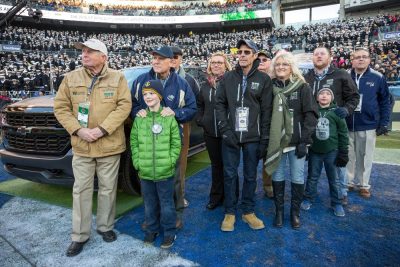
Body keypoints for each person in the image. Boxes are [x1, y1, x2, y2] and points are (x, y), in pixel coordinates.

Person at [54, 39, 132, 257]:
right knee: (81, 191)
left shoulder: (118, 77)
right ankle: (79, 235)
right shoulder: (71, 78)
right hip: (82, 145)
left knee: (108, 189)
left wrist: (102, 129)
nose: (84, 55)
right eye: (83, 51)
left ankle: (105, 227)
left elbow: (124, 105)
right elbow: (61, 108)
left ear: (103, 57)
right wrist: (79, 130)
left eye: (90, 51)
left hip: (109, 144)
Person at [131, 46, 197, 229]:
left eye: (161, 59)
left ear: (171, 61)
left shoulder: (181, 84)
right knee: (148, 183)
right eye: (154, 58)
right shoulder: (140, 81)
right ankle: (152, 217)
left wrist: (175, 113)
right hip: (147, 142)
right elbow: (131, 105)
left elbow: (192, 109)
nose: (156, 62)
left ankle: (174, 216)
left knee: (174, 179)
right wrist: (139, 111)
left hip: (170, 141)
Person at [216, 39, 273, 232]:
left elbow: (266, 111)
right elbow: (220, 104)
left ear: (255, 55)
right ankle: (230, 211)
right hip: (231, 135)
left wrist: (264, 139)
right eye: (239, 52)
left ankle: (248, 210)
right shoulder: (228, 78)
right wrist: (225, 130)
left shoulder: (264, 80)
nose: (241, 55)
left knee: (250, 175)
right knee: (230, 174)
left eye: (246, 52)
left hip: (253, 137)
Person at [265, 51, 318, 229]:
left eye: (285, 64)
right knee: (278, 177)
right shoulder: (269, 87)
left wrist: (305, 141)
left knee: (297, 177)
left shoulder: (302, 87)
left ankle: (295, 213)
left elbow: (311, 115)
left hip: (297, 143)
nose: (281, 67)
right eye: (278, 64)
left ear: (291, 68)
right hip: (276, 143)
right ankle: (279, 212)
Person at [304, 46, 359, 205]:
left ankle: (341, 194)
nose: (319, 56)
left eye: (322, 53)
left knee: (338, 165)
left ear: (330, 57)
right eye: (316, 54)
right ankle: (309, 195)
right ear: (312, 58)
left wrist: (346, 109)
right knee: (313, 169)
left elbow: (354, 97)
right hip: (312, 130)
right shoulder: (306, 78)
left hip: (334, 128)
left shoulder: (341, 74)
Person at [130, 80, 181, 249]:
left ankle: (169, 232)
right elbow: (134, 143)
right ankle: (152, 229)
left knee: (167, 204)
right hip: (145, 172)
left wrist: (170, 161)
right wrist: (138, 163)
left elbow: (176, 143)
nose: (148, 97)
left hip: (165, 172)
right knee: (149, 204)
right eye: (145, 94)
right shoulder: (140, 118)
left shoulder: (168, 117)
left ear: (159, 96)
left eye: (151, 93)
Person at [346, 47, 391, 198]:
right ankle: (349, 182)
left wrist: (384, 123)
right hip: (347, 123)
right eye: (357, 57)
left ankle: (364, 184)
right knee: (348, 155)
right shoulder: (344, 76)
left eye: (364, 56)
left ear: (369, 60)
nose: (361, 59)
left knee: (366, 156)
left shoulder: (378, 77)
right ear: (352, 60)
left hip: (368, 123)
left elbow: (385, 101)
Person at [301, 88, 349, 217]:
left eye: (328, 94)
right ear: (317, 98)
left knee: (334, 179)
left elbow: (343, 133)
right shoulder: (312, 112)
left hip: (331, 151)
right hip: (315, 151)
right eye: (321, 94)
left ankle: (337, 202)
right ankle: (308, 198)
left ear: (332, 98)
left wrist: (343, 151)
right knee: (312, 177)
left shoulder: (336, 113)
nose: (324, 96)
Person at [196, 52, 233, 210]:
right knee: (216, 166)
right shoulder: (205, 85)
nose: (216, 65)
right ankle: (216, 197)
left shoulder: (232, 82)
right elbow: (199, 105)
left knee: (229, 167)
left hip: (229, 133)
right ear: (209, 65)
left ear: (226, 65)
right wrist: (201, 120)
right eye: (213, 62)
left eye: (219, 62)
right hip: (211, 133)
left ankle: (231, 198)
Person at [170, 46, 201, 208]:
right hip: (160, 127)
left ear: (181, 58)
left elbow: (195, 105)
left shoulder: (188, 79)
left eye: (176, 56)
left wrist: (180, 115)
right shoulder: (156, 77)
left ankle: (180, 196)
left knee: (181, 162)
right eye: (171, 56)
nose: (173, 59)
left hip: (183, 125)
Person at [257, 50, 274, 198]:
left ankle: (268, 185)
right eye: (259, 59)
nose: (261, 62)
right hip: (252, 126)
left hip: (271, 125)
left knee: (269, 157)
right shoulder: (249, 79)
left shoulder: (277, 80)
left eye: (265, 59)